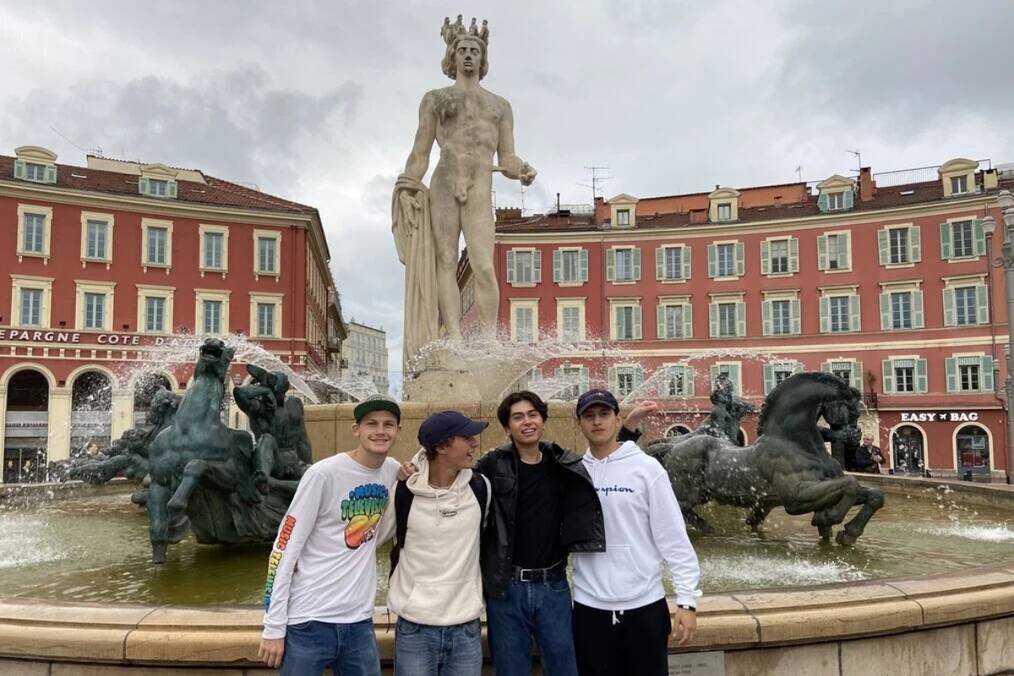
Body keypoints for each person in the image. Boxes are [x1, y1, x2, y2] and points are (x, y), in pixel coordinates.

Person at [394, 15, 536, 355]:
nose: (469, 55)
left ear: (483, 58)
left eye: (475, 50)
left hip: (480, 186)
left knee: (483, 264)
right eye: (463, 50)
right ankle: (455, 336)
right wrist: (409, 186)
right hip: (444, 182)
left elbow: (508, 156)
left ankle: (489, 340)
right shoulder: (436, 99)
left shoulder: (500, 106)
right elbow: (420, 152)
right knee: (445, 259)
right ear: (453, 57)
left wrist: (521, 169)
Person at [258, 394, 403, 675]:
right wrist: (273, 625)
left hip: (359, 625)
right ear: (356, 429)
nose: (380, 431)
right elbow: (284, 547)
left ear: (398, 431)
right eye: (371, 423)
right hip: (308, 622)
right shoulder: (323, 474)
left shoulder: (391, 470)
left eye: (388, 424)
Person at [571, 389, 701, 676]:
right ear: (579, 424)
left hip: (644, 606)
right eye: (589, 416)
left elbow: (674, 539)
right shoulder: (573, 472)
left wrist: (687, 601)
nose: (597, 421)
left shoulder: (647, 469)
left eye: (604, 414)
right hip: (589, 608)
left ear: (617, 420)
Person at [388, 411, 491, 676]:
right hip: (415, 629)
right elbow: (370, 540)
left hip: (466, 628)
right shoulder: (403, 492)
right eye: (466, 437)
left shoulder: (481, 488)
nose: (475, 443)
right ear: (441, 446)